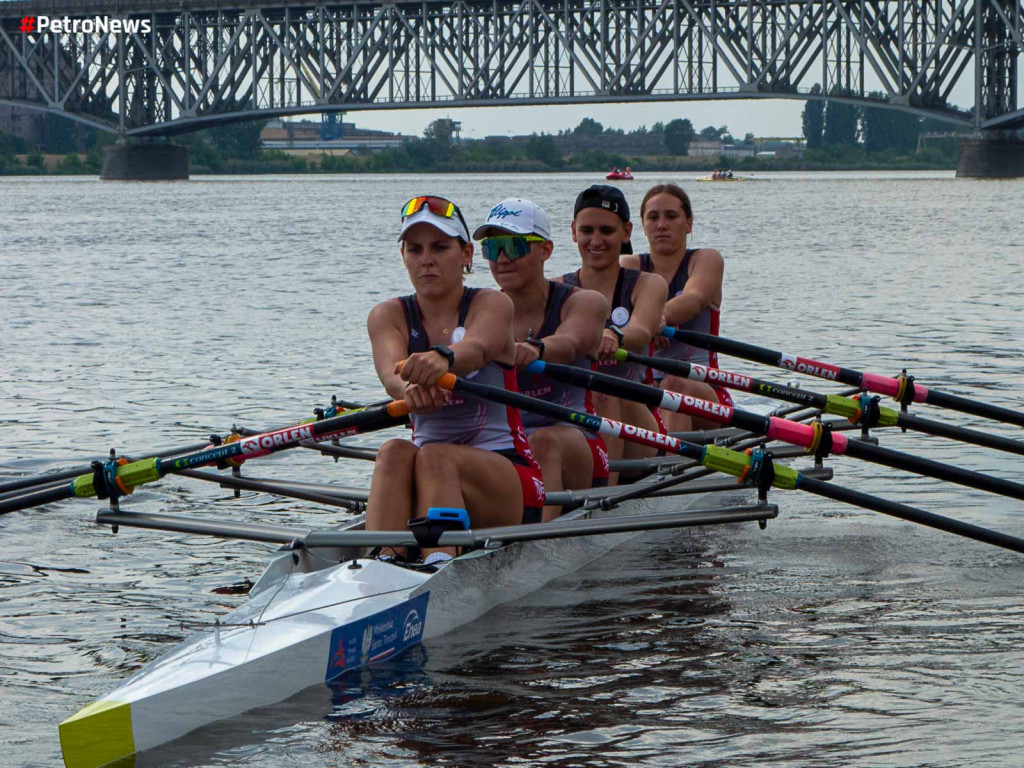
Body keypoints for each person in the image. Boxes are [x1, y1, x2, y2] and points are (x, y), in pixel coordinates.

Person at [364, 195, 544, 567]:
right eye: (414, 249)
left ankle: (438, 565)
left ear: (466, 255)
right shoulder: (387, 315)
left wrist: (442, 360)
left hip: (509, 478)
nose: (426, 259)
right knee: (393, 451)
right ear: (403, 257)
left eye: (440, 247)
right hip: (431, 472)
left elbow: (476, 349)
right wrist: (408, 390)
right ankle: (381, 563)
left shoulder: (492, 304)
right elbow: (390, 375)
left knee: (435, 457)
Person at [475, 198, 610, 520]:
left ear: (546, 250)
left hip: (575, 441)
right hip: (507, 448)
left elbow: (570, 340)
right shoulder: (478, 310)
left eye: (515, 245)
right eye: (493, 248)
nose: (503, 259)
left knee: (544, 441)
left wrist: (536, 349)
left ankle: (536, 542)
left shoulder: (585, 302)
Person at [558, 185, 668, 484]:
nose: (596, 241)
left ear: (627, 232)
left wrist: (615, 336)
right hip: (575, 418)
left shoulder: (648, 284)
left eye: (606, 230)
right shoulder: (556, 288)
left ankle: (604, 497)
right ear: (573, 232)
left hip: (640, 422)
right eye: (587, 230)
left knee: (604, 391)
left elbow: (641, 331)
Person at [621, 182, 731, 432]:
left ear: (688, 224)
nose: (661, 225)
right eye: (653, 217)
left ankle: (666, 467)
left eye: (671, 216)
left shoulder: (705, 260)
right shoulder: (628, 266)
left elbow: (694, 300)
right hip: (646, 389)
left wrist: (655, 319)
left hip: (704, 390)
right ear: (643, 226)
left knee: (673, 386)